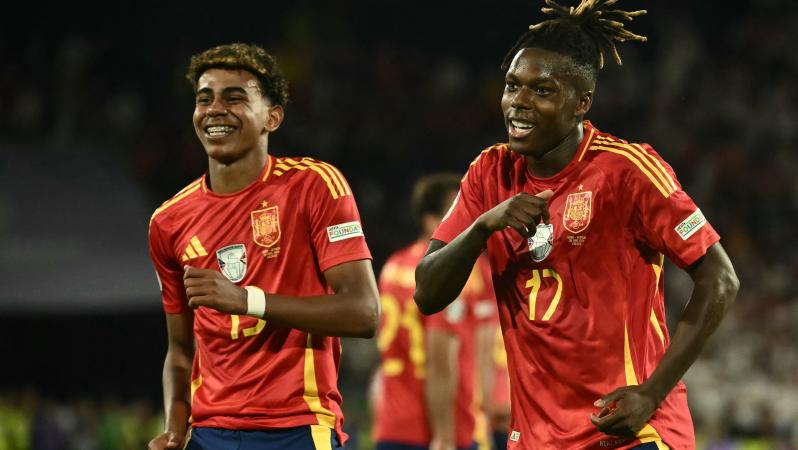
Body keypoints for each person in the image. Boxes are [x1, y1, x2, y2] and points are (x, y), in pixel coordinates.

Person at [413, 1, 740, 449]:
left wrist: (652, 393)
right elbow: (427, 294)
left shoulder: (627, 171)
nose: (519, 102)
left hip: (629, 432)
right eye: (512, 85)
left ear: (581, 103)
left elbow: (720, 279)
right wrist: (483, 227)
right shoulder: (489, 173)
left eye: (542, 90)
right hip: (536, 438)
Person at [146, 43, 380, 450]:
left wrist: (247, 300)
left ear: (272, 117)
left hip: (298, 427)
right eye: (205, 99)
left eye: (234, 97)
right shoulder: (168, 221)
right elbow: (181, 352)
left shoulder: (314, 185)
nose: (215, 109)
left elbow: (364, 313)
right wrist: (173, 428)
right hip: (208, 434)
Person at [372, 174, 497, 450]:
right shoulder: (447, 274)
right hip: (441, 429)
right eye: (457, 214)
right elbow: (441, 359)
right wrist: (445, 436)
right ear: (432, 221)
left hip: (392, 423)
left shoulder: (392, 266)